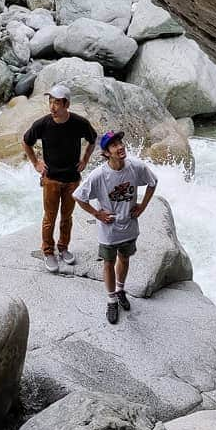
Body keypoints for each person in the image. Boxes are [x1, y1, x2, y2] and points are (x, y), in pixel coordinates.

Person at [74, 131, 158, 324]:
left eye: (120, 142)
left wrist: (143, 206)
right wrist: (97, 214)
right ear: (106, 153)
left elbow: (153, 182)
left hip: (129, 226)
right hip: (109, 230)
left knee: (125, 258)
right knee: (108, 263)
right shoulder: (99, 175)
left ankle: (120, 290)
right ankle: (111, 300)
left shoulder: (135, 167)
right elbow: (79, 196)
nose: (120, 147)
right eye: (113, 145)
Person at [21, 84, 97, 273]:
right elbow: (26, 141)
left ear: (66, 104)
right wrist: (36, 163)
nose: (52, 107)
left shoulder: (79, 123)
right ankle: (48, 251)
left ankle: (63, 248)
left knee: (67, 217)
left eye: (56, 102)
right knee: (49, 218)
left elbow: (93, 139)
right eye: (50, 101)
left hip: (72, 179)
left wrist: (85, 159)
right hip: (51, 179)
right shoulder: (43, 124)